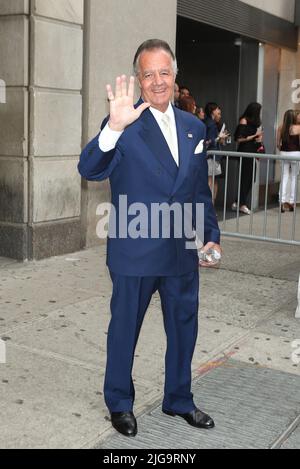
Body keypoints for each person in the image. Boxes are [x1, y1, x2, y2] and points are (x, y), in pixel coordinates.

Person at [78, 39, 221, 438]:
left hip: (180, 249)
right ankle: (119, 403)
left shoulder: (194, 127)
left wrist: (211, 236)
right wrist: (112, 130)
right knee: (124, 329)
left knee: (184, 328)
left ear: (175, 76)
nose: (157, 81)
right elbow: (89, 168)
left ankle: (178, 398)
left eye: (164, 72)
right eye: (148, 74)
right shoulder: (124, 123)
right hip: (135, 249)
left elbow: (197, 191)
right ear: (138, 80)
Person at [233, 103, 264, 215]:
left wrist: (258, 139)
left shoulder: (255, 123)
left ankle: (238, 201)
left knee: (250, 178)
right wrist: (254, 136)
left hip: (252, 151)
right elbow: (238, 138)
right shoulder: (244, 120)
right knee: (246, 178)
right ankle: (241, 204)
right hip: (245, 151)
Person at [204, 103, 229, 205]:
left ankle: (211, 205)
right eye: (218, 113)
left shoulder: (210, 123)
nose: (220, 115)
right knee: (211, 181)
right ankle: (210, 206)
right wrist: (219, 137)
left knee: (213, 181)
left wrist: (220, 138)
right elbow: (209, 141)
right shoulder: (210, 124)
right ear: (213, 112)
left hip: (214, 156)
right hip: (211, 157)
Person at [277, 110, 300, 212]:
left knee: (284, 176)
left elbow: (278, 144)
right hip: (295, 153)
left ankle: (281, 201)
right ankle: (291, 202)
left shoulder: (281, 127)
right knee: (294, 177)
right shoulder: (298, 127)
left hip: (283, 153)